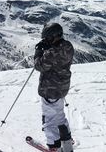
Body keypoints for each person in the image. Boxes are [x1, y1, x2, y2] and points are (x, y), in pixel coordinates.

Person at [34, 22, 74, 152]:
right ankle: (67, 142)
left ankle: (54, 147)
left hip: (50, 89)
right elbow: (57, 57)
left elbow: (39, 66)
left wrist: (39, 51)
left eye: (48, 38)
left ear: (55, 36)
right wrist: (49, 46)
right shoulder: (68, 46)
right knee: (59, 116)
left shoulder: (52, 52)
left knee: (49, 120)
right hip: (61, 88)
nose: (47, 40)